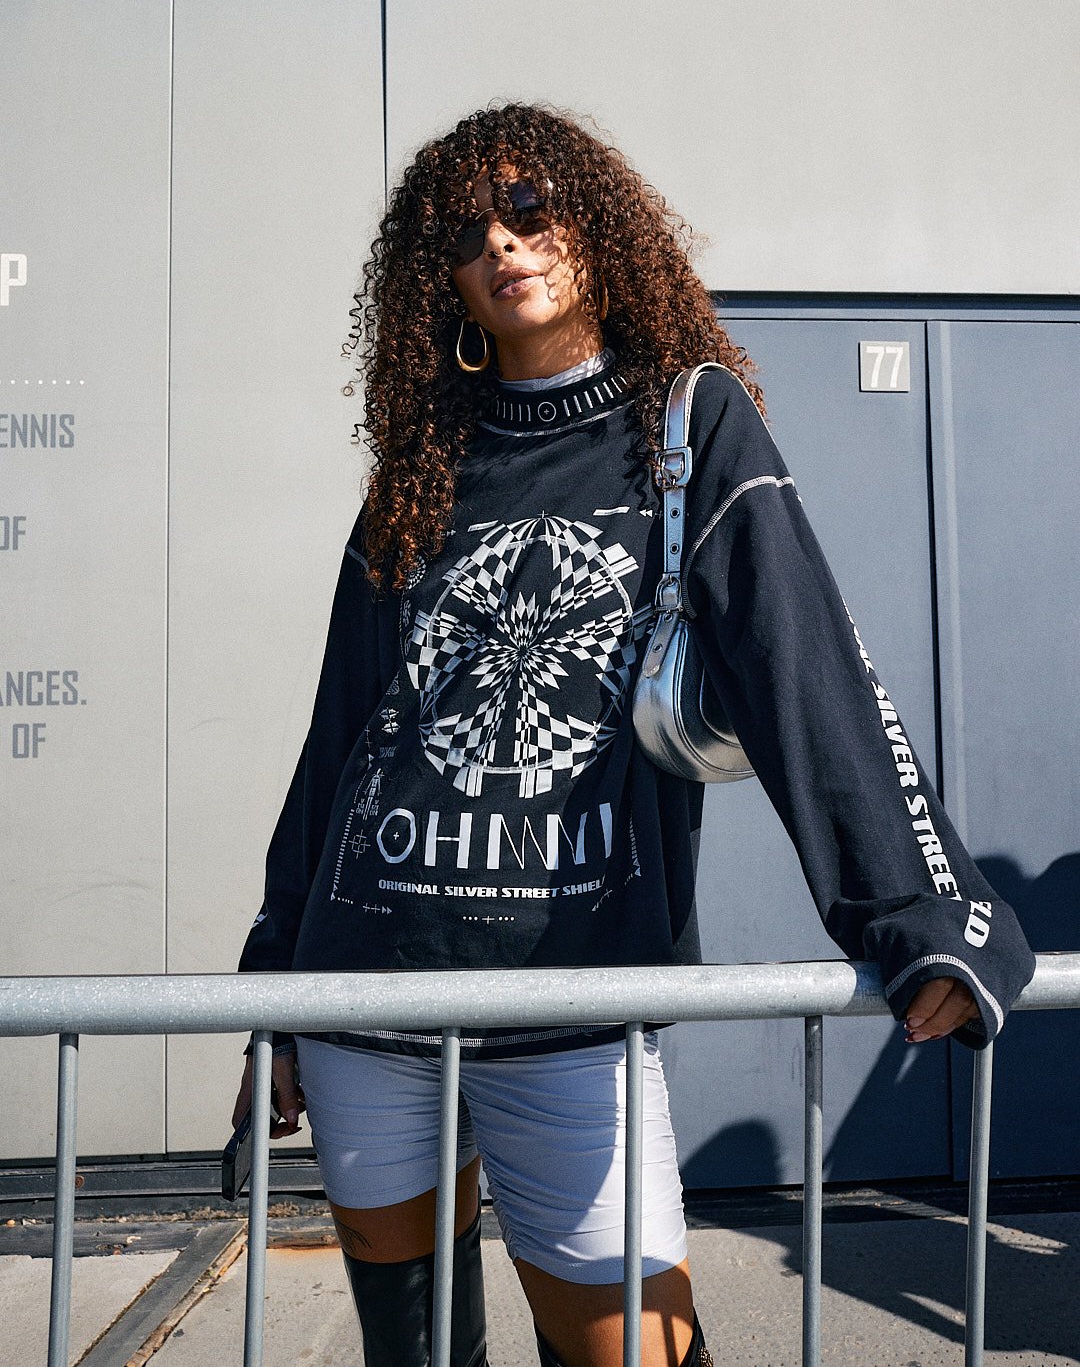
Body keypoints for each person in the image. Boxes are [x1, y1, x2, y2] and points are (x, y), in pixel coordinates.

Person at [230, 102, 1035, 1367]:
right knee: (415, 1350)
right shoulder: (420, 463)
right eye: (466, 232)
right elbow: (341, 736)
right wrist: (278, 978)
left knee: (628, 1353)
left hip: (576, 997)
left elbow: (803, 666)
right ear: (434, 279)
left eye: (531, 208)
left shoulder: (686, 427)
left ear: (596, 224)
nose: (504, 242)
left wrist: (918, 910)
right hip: (366, 992)